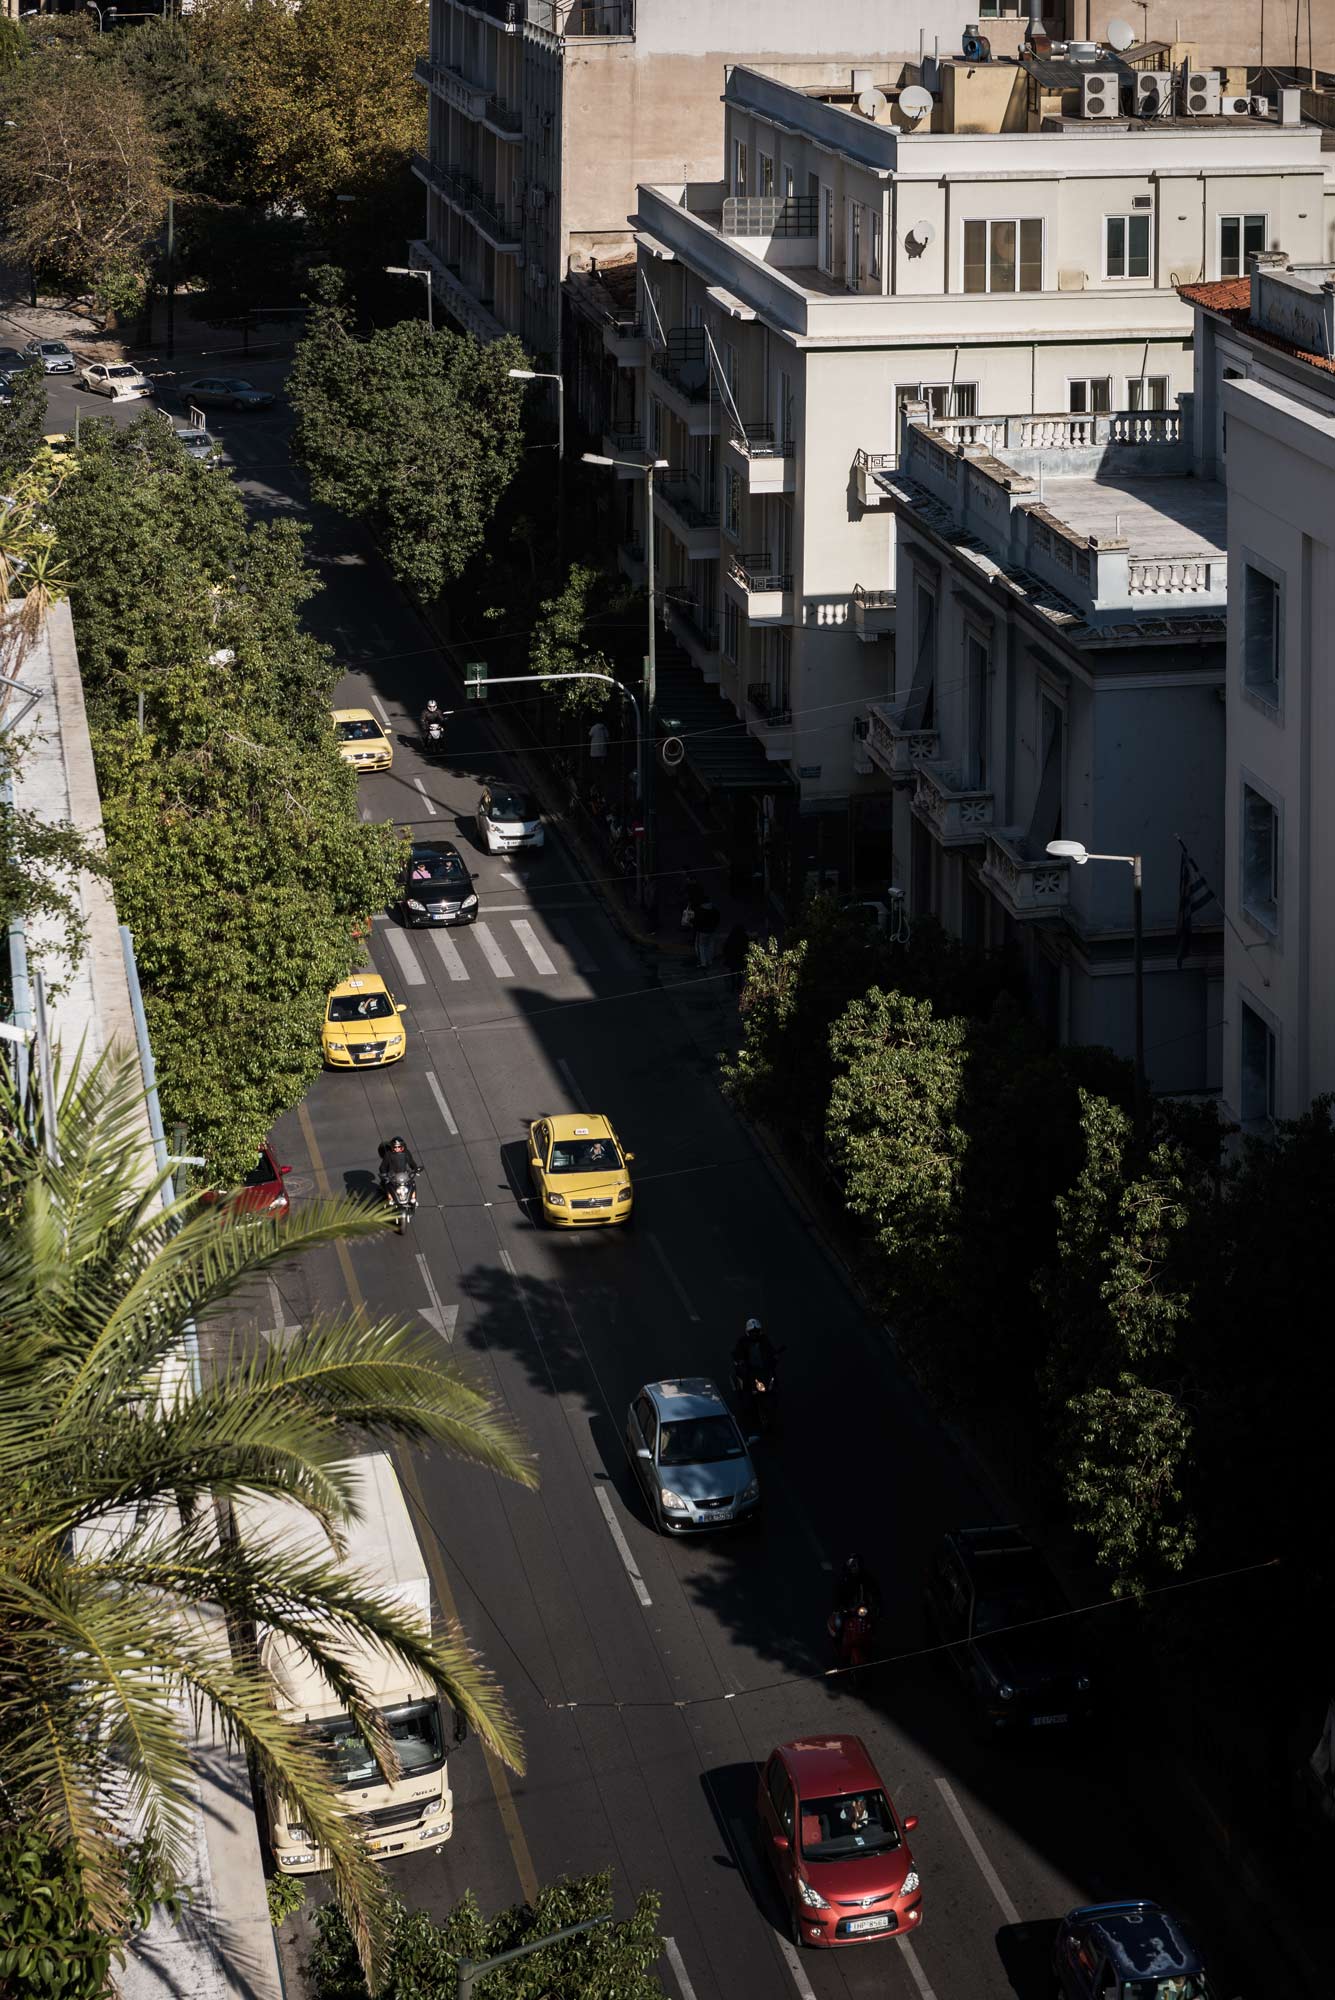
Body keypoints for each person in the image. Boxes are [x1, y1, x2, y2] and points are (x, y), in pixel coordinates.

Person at [831, 1553, 883, 1627]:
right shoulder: (844, 1579)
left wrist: (878, 1608)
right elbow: (837, 1594)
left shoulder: (867, 1578)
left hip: (863, 1608)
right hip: (847, 1609)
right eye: (853, 1565)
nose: (856, 1567)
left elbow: (876, 1592)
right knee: (839, 1624)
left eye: (858, 1564)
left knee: (874, 1623)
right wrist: (840, 1608)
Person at [693, 893, 720, 968]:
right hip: (712, 930)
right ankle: (709, 961)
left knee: (701, 947)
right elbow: (718, 919)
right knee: (710, 945)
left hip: (702, 931)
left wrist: (694, 924)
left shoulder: (700, 910)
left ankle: (703, 963)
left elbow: (697, 921)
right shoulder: (714, 910)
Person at [722, 922, 750, 995]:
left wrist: (726, 956)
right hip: (741, 958)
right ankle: (738, 985)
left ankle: (733, 985)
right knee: (740, 973)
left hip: (732, 958)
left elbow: (725, 948)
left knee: (733, 972)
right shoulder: (745, 937)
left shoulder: (731, 937)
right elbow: (747, 947)